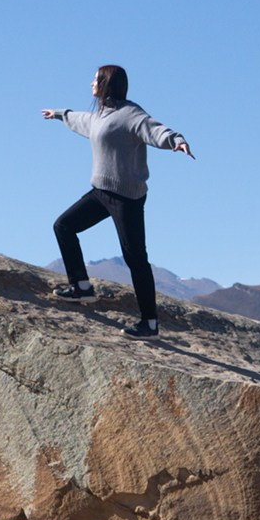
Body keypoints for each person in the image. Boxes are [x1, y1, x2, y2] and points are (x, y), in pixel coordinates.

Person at [43, 66, 195, 337]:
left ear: (107, 84)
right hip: (101, 192)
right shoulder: (101, 114)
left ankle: (149, 323)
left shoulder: (130, 114)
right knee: (63, 226)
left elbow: (154, 129)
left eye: (95, 79)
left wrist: (176, 140)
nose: (91, 83)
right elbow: (83, 120)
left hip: (127, 198)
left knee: (135, 258)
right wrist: (60, 115)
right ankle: (81, 287)